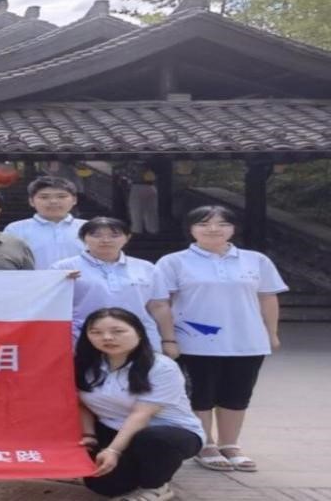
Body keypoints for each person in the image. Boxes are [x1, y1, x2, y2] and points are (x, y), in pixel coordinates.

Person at [150, 205, 286, 473]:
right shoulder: (173, 262)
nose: (213, 229)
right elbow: (160, 303)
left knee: (238, 393)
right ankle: (206, 444)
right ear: (190, 229)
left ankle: (230, 444)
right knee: (200, 394)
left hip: (246, 340)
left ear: (234, 228)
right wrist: (168, 339)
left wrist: (271, 333)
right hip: (194, 341)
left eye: (222, 224)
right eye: (204, 224)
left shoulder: (255, 260)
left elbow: (268, 297)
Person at [75, 308, 204, 500]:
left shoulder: (161, 367)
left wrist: (113, 450)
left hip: (167, 432)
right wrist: (89, 435)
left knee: (153, 439)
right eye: (96, 332)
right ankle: (143, 469)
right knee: (104, 485)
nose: (107, 337)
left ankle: (156, 487)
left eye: (118, 331)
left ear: (139, 332)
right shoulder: (86, 365)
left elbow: (141, 414)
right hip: (112, 429)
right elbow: (82, 403)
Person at [51, 218, 175, 354]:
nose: (105, 240)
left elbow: (159, 306)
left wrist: (169, 340)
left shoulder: (146, 268)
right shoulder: (63, 268)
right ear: (83, 238)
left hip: (138, 335)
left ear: (127, 238)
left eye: (114, 235)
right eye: (96, 235)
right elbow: (53, 306)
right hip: (85, 336)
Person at [5, 176, 87, 269]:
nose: (53, 201)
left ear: (74, 200)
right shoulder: (15, 229)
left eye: (61, 196)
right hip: (34, 279)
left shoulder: (88, 228)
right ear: (31, 201)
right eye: (44, 197)